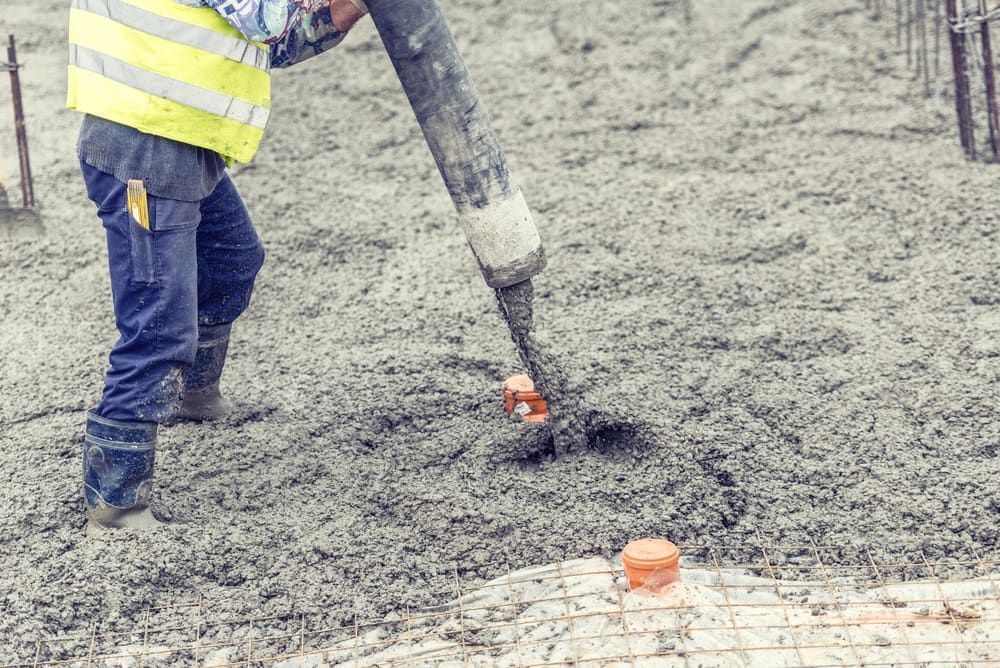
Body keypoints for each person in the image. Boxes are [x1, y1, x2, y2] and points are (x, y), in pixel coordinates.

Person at [67, 0, 367, 531]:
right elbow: (283, 33)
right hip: (146, 150)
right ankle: (115, 505)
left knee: (231, 259)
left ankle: (192, 394)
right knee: (156, 325)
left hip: (175, 132)